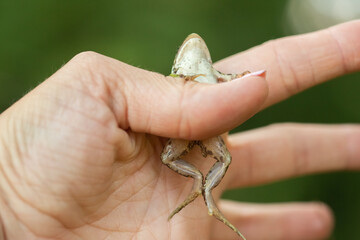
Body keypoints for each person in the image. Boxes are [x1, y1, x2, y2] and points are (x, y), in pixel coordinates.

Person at [0, 20, 359, 240]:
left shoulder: (209, 72)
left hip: (204, 128)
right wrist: (10, 201)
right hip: (182, 133)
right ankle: (200, 191)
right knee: (190, 155)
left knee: (226, 156)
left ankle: (203, 194)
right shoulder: (179, 73)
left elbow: (231, 77)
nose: (194, 41)